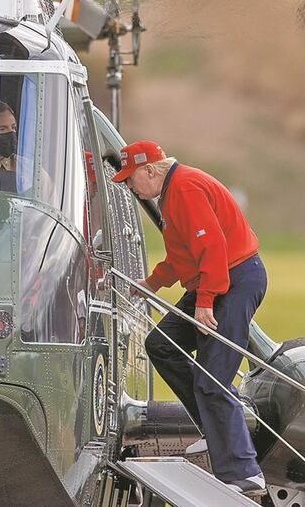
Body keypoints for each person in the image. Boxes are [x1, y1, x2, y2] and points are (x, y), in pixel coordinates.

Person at [111, 140, 267, 496]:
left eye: (132, 179)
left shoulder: (185, 188)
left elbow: (212, 248)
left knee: (212, 379)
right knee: (161, 344)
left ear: (150, 170)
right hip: (214, 281)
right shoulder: (170, 195)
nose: (131, 187)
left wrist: (205, 302)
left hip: (234, 280)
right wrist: (150, 283)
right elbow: (182, 257)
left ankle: (244, 472)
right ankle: (215, 431)